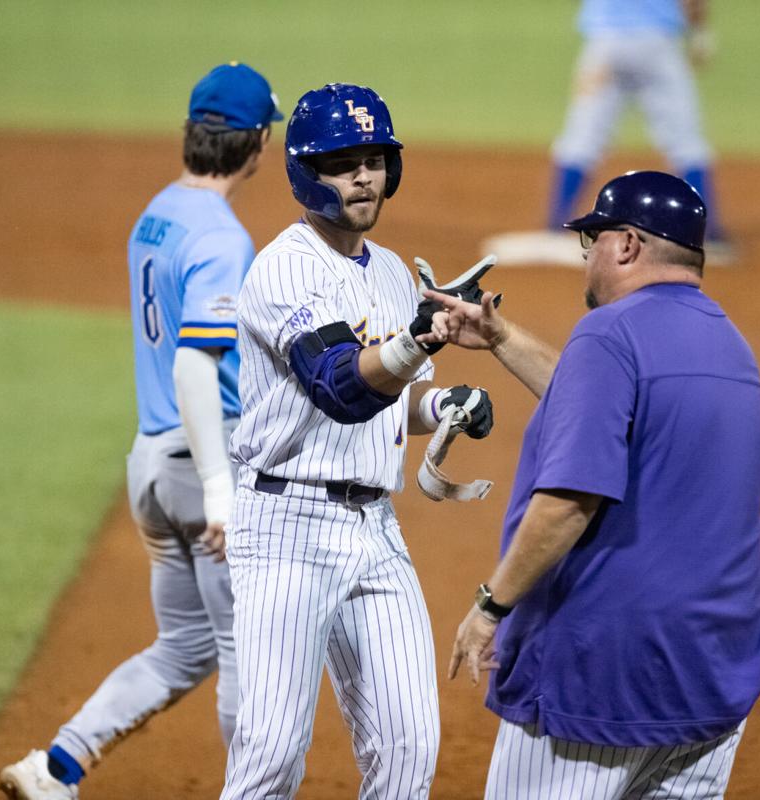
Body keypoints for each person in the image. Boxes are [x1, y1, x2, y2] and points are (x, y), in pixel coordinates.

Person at [430, 170, 760, 799]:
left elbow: (567, 503)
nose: (586, 262)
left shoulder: (609, 334)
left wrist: (490, 607)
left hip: (604, 677)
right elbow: (608, 410)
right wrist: (503, 339)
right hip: (711, 676)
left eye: (592, 245)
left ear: (627, 245)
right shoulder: (731, 347)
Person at [0, 62, 282, 800]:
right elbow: (195, 362)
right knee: (247, 656)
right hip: (202, 464)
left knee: (184, 646)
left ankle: (56, 767)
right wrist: (223, 492)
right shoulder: (224, 237)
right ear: (255, 145)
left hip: (151, 466)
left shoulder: (156, 213)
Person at [219, 83, 496, 800]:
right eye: (345, 163)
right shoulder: (286, 268)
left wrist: (446, 403)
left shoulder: (396, 275)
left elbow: (387, 402)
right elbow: (341, 387)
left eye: (375, 159)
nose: (365, 175)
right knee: (272, 753)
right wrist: (420, 339)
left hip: (374, 527)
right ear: (308, 171)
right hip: (284, 528)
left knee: (409, 746)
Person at [486, 0, 736, 267]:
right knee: (686, 141)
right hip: (657, 45)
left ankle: (555, 226)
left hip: (605, 46)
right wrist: (700, 33)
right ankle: (708, 233)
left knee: (581, 138)